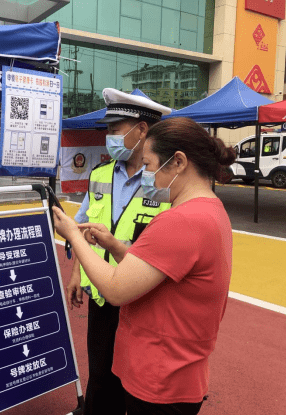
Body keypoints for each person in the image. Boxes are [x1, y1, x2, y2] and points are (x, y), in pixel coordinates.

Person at [53, 117, 235, 415]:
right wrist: (113, 245)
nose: (146, 175)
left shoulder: (181, 221)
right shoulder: (209, 211)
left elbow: (115, 289)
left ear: (178, 163)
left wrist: (74, 236)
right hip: (176, 371)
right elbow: (154, 269)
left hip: (159, 376)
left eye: (149, 165)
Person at [68, 88, 172, 415]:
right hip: (101, 293)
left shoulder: (165, 182)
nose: (109, 137)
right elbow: (81, 229)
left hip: (142, 298)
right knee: (100, 372)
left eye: (115, 130)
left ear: (141, 130)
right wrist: (75, 273)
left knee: (136, 378)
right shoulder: (99, 175)